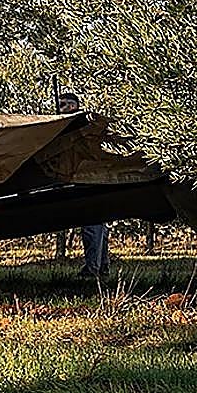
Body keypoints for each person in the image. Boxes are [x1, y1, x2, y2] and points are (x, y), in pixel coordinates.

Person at [56, 91, 111, 277]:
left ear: (72, 106)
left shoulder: (79, 126)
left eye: (63, 104)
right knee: (98, 226)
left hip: (89, 181)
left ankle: (92, 269)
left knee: (92, 226)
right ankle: (101, 266)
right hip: (94, 179)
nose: (59, 109)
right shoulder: (84, 125)